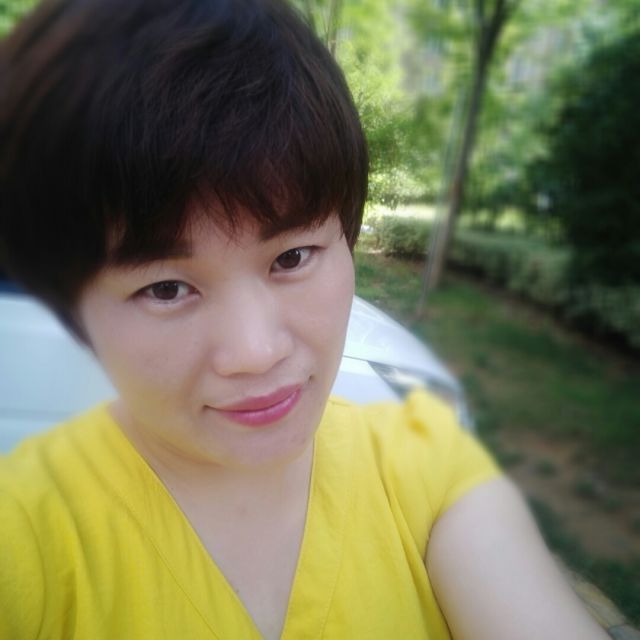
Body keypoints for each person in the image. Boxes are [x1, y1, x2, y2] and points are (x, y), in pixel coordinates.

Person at [0, 1, 608, 639]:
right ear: (74, 309)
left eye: (291, 257)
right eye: (166, 288)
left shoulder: (426, 469)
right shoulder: (27, 529)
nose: (256, 351)